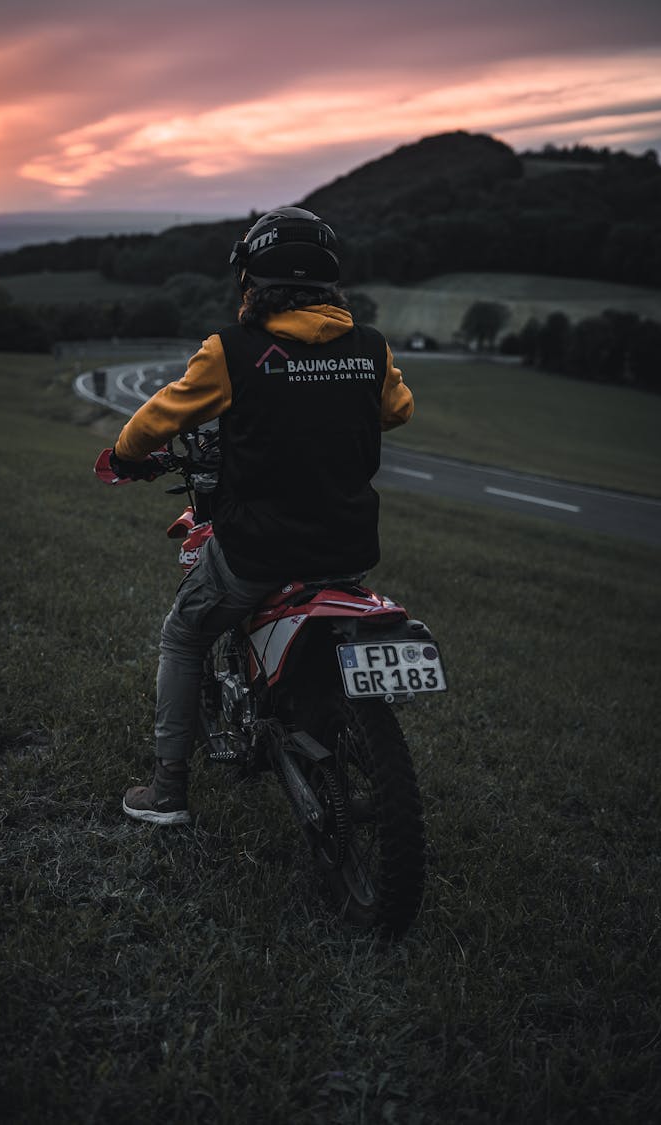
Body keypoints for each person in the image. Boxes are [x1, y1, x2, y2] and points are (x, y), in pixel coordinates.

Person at [108, 207, 414, 825]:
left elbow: (157, 420)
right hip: (348, 550)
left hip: (258, 549)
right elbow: (398, 409)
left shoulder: (233, 350)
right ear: (331, 282)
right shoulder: (371, 348)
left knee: (184, 633)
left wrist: (123, 455)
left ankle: (168, 793)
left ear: (251, 278)